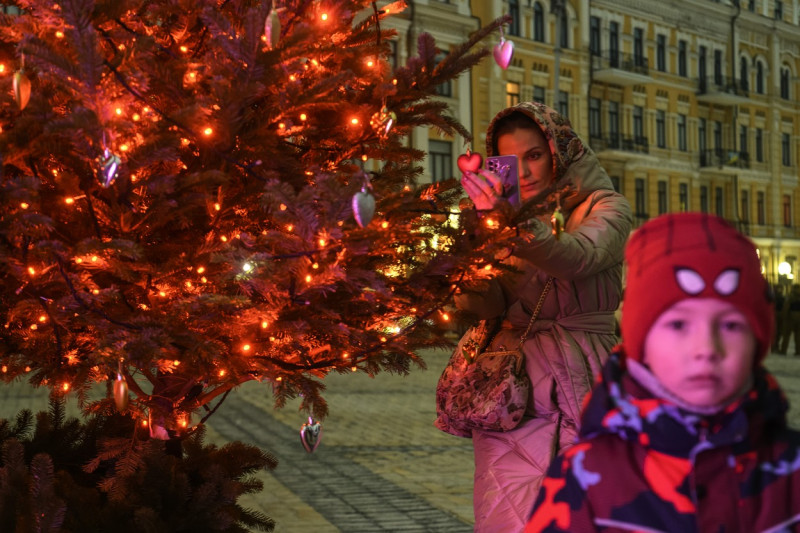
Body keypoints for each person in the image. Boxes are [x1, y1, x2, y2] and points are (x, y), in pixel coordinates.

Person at [527, 213, 800, 532]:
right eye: (678, 324)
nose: (706, 348)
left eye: (730, 325)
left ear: (757, 341)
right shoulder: (585, 478)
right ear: (641, 342)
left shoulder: (791, 472)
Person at [453, 101, 632, 532]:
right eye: (509, 162)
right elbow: (479, 307)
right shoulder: (492, 219)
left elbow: (577, 258)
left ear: (558, 152)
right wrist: (471, 254)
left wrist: (514, 226)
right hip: (514, 390)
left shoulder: (605, 207)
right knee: (508, 513)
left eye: (534, 155)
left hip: (589, 374)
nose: (526, 171)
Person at [780, 283, 800, 355]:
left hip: (791, 317)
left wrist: (784, 317)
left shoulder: (790, 297)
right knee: (798, 336)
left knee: (786, 335)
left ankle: (783, 350)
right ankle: (798, 351)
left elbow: (786, 307)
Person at [773, 283, 786, 353]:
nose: (780, 290)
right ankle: (774, 347)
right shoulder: (773, 297)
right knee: (775, 332)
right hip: (775, 315)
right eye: (779, 288)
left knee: (779, 332)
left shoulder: (782, 297)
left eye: (781, 288)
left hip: (780, 315)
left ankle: (776, 346)